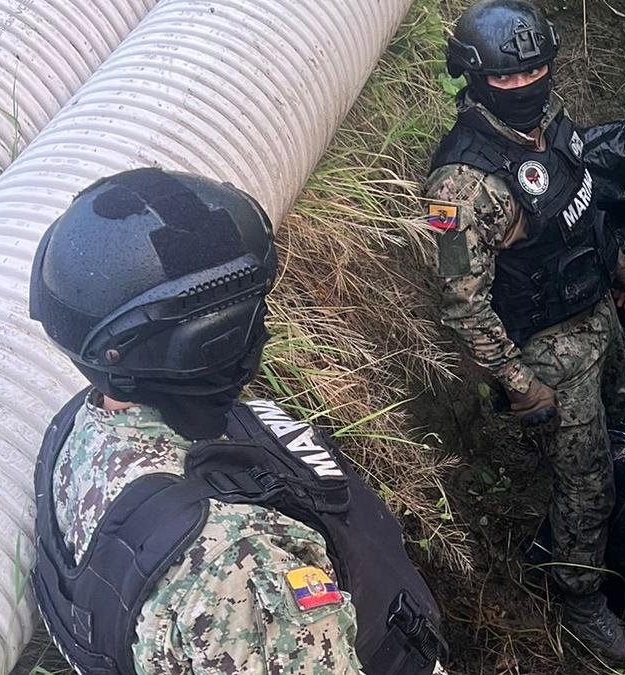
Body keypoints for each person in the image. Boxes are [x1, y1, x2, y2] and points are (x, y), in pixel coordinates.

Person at [28, 168, 447, 675]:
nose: (263, 327)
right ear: (210, 343)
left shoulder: (79, 428)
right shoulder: (239, 568)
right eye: (251, 312)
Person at [425, 0, 625, 665]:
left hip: (596, 312)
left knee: (621, 422)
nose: (525, 87)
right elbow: (463, 303)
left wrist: (618, 267)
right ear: (474, 78)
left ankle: (604, 536)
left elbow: (580, 207)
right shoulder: (460, 187)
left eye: (535, 71)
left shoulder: (551, 120)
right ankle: (581, 603)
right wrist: (520, 384)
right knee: (585, 485)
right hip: (546, 351)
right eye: (507, 78)